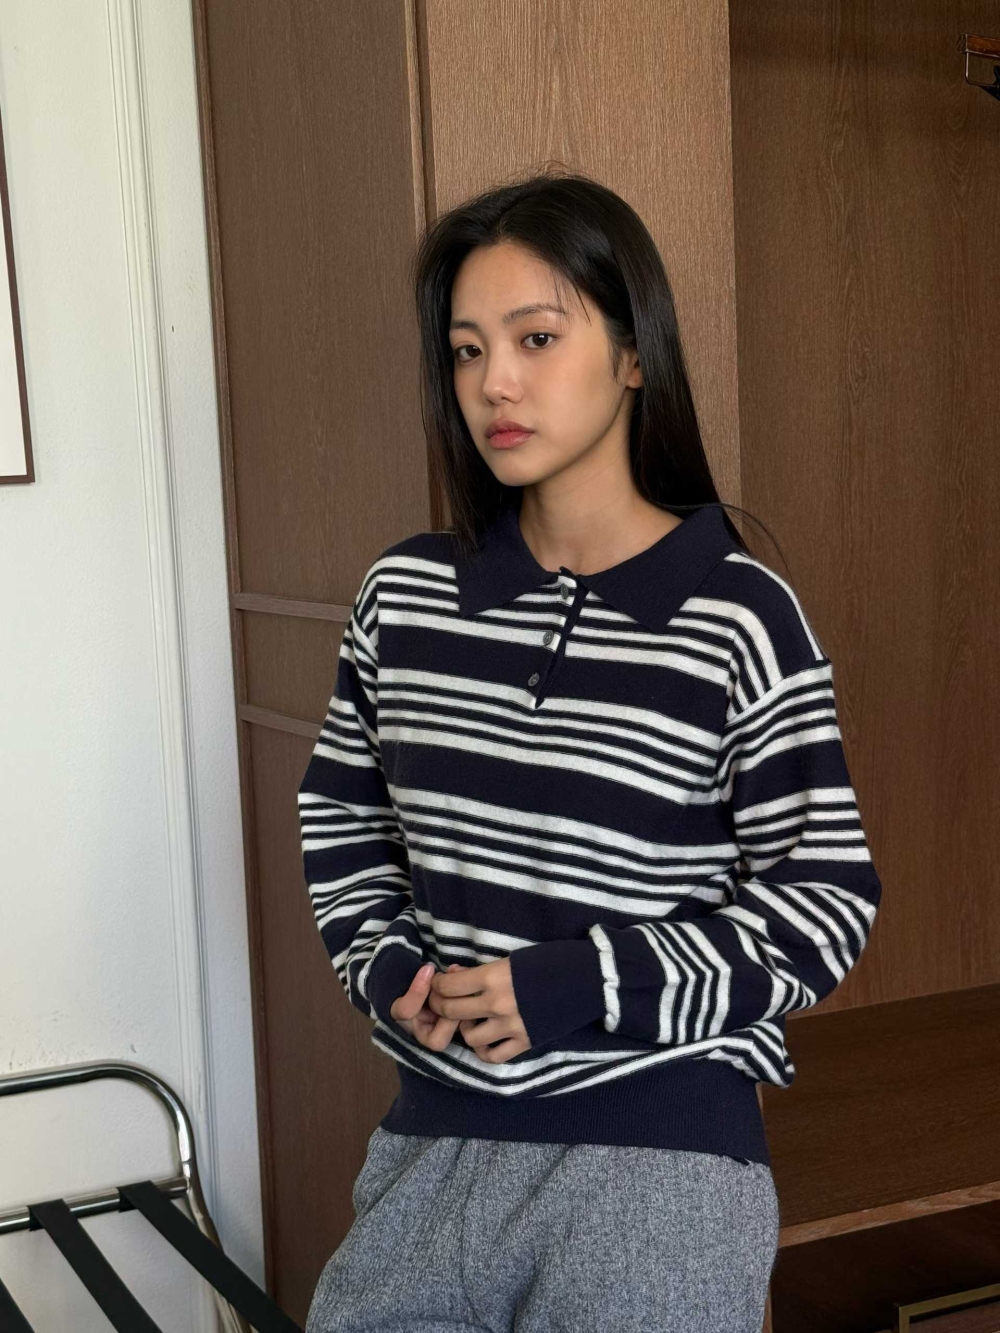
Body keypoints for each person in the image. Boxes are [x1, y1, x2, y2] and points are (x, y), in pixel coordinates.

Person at [297, 170, 882, 1332]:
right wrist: (387, 965)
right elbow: (343, 823)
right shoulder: (403, 597)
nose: (494, 383)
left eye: (535, 338)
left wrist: (576, 984)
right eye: (466, 351)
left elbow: (824, 904)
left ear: (632, 355)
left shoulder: (738, 616)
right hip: (431, 1146)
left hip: (658, 1161)